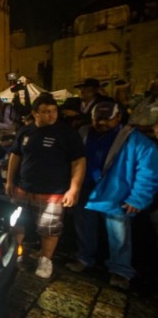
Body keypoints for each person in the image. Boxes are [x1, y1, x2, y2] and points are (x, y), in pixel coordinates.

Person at [66, 102, 158, 289]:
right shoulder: (83, 133)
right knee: (84, 228)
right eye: (96, 119)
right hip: (85, 191)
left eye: (106, 119)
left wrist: (138, 198)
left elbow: (148, 171)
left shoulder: (135, 140)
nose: (101, 123)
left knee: (119, 235)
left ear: (118, 118)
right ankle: (84, 258)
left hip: (116, 194)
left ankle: (120, 270)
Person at [6, 93, 86, 279]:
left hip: (53, 192)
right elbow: (15, 156)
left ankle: (45, 259)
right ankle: (17, 254)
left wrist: (74, 189)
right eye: (46, 112)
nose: (51, 115)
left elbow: (79, 161)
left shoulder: (66, 133)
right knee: (18, 223)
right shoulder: (25, 131)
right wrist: (10, 181)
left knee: (49, 228)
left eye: (54, 111)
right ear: (35, 114)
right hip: (24, 189)